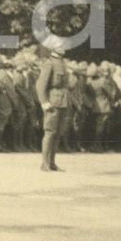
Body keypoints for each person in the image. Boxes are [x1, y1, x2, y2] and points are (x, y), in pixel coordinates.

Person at [35, 40, 68, 171]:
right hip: (53, 101)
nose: (64, 48)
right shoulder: (49, 63)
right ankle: (45, 163)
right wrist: (44, 102)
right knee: (50, 132)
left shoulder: (62, 63)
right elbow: (40, 85)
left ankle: (52, 162)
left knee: (58, 133)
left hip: (62, 101)